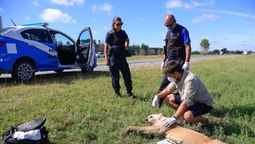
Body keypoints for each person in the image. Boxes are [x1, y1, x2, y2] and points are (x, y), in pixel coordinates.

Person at [152, 60, 213, 130]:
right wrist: (157, 96)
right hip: (191, 100)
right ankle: (185, 116)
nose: (168, 78)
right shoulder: (177, 77)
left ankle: (203, 121)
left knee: (188, 116)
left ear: (175, 73)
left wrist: (174, 118)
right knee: (168, 98)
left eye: (169, 75)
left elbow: (186, 102)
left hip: (203, 103)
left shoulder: (190, 80)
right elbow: (169, 89)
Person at [157, 14, 191, 107]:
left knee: (179, 83)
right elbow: (167, 47)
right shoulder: (168, 32)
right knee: (164, 81)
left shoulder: (183, 30)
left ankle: (183, 103)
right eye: (166, 25)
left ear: (174, 22)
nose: (168, 27)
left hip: (179, 62)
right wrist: (163, 61)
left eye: (169, 25)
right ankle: (158, 101)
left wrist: (187, 62)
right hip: (169, 62)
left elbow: (187, 46)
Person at [104, 16, 135, 98]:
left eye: (121, 24)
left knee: (127, 75)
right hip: (113, 58)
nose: (120, 26)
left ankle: (129, 92)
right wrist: (106, 59)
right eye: (118, 24)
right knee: (115, 77)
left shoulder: (123, 32)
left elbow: (127, 39)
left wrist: (126, 43)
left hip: (122, 57)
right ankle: (117, 93)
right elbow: (105, 46)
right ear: (114, 24)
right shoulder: (110, 34)